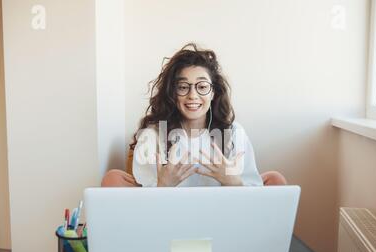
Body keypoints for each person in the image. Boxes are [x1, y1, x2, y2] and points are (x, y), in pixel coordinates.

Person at [102, 43, 287, 187]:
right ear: (172, 93)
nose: (192, 95)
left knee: (275, 180)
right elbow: (143, 203)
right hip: (168, 217)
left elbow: (252, 192)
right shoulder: (153, 135)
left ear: (213, 92)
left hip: (222, 215)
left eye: (202, 86)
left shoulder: (235, 133)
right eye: (183, 87)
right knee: (113, 178)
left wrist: (232, 181)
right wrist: (163, 185)